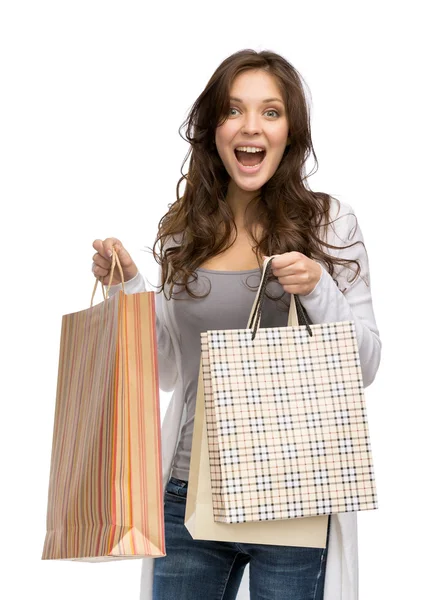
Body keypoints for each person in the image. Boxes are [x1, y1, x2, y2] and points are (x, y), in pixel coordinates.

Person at [91, 49, 381, 600]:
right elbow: (172, 369)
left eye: (271, 112)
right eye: (234, 111)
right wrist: (126, 289)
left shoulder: (329, 222)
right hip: (186, 494)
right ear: (213, 129)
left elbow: (365, 364)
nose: (252, 127)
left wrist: (318, 288)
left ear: (290, 131)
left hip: (294, 491)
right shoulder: (184, 232)